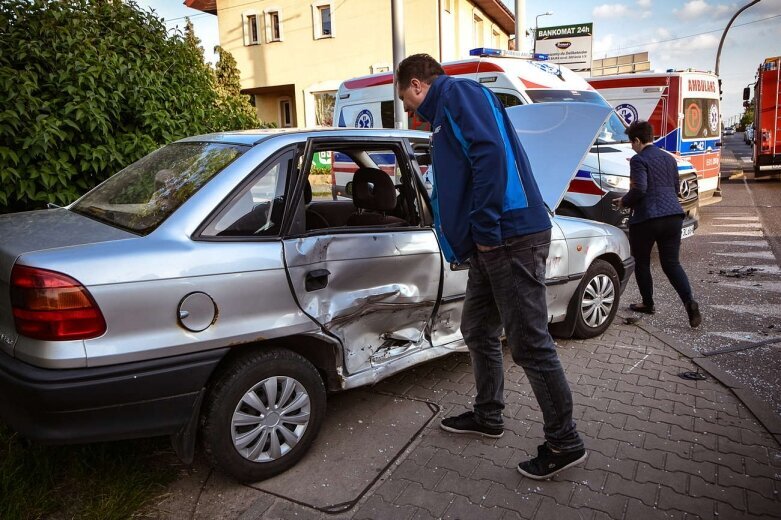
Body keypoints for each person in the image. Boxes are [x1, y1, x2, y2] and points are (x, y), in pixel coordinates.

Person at [396, 53, 586, 480]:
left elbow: (490, 156)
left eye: (406, 100)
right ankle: (489, 414)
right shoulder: (447, 108)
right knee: (478, 329)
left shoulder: (458, 94)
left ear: (416, 84)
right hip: (492, 242)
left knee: (531, 344)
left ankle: (565, 440)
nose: (409, 110)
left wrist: (482, 227)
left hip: (508, 237)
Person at [614, 120, 702, 328]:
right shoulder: (669, 158)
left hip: (647, 218)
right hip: (673, 216)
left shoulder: (638, 160)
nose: (631, 146)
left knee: (642, 262)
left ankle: (648, 303)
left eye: (631, 142)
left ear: (637, 140)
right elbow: (674, 187)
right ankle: (690, 303)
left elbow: (640, 189)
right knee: (671, 264)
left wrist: (624, 201)